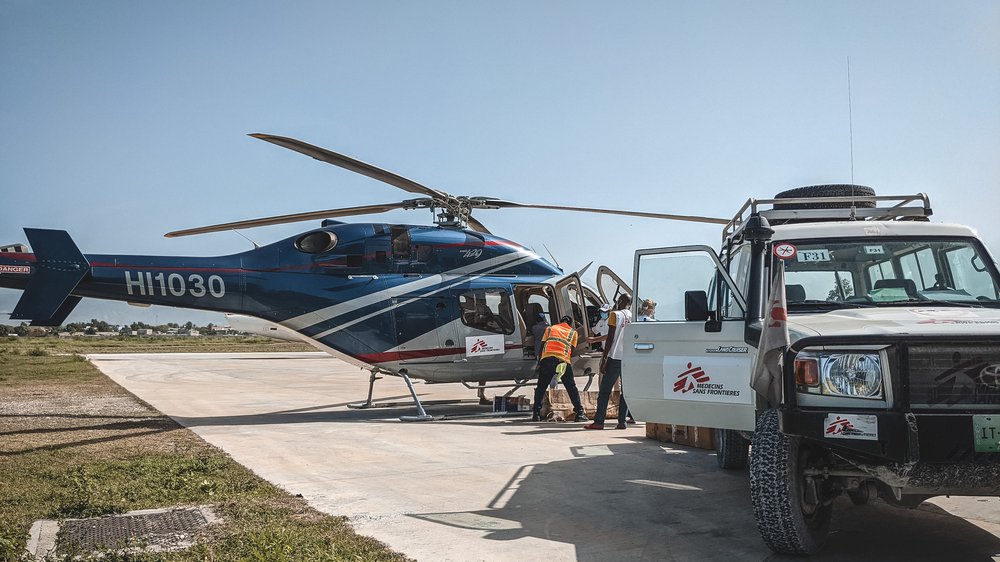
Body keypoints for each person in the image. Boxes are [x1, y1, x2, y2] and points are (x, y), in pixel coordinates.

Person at [584, 294, 632, 430]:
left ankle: (599, 422)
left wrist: (605, 358)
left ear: (621, 301)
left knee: (605, 390)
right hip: (628, 358)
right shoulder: (632, 316)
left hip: (615, 357)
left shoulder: (614, 315)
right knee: (625, 391)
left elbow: (610, 338)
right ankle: (622, 421)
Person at [531, 315, 589, 422]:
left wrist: (540, 362)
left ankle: (536, 414)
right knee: (571, 387)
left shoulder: (550, 328)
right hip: (562, 361)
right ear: (571, 324)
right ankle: (579, 413)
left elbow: (543, 345)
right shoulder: (573, 333)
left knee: (541, 387)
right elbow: (571, 350)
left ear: (560, 322)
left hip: (547, 359)